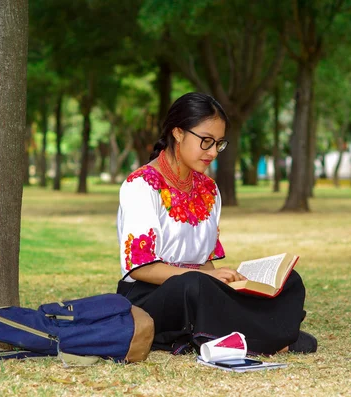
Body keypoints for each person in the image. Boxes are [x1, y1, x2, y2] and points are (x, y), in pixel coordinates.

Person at [116, 92, 317, 355]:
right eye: (206, 141)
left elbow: (205, 261)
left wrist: (226, 280)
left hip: (199, 287)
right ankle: (271, 337)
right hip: (149, 298)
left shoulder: (208, 188)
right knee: (194, 287)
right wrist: (206, 277)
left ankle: (250, 334)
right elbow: (140, 269)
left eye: (219, 144)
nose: (212, 152)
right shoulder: (141, 186)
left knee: (289, 281)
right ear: (178, 133)